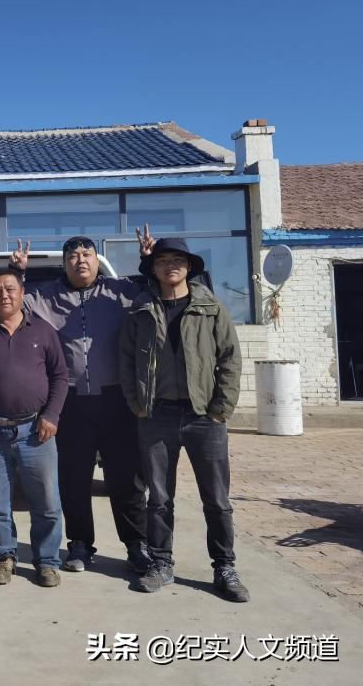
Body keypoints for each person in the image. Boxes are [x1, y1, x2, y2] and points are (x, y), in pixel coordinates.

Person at [10, 229, 154, 574]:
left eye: (87, 254)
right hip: (71, 403)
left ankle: (136, 544)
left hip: (117, 399)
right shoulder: (45, 297)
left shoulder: (120, 292)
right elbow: (15, 302)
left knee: (126, 478)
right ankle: (79, 545)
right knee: (73, 478)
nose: (81, 261)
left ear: (96, 260)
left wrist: (148, 262)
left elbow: (154, 295)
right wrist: (18, 273)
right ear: (64, 264)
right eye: (73, 257)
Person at [119, 238, 249, 602]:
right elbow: (126, 362)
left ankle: (224, 566)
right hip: (155, 415)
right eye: (163, 261)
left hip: (204, 417)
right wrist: (137, 403)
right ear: (154, 268)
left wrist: (221, 407)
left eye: (178, 260)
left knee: (217, 498)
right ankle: (161, 563)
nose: (170, 266)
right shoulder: (140, 310)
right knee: (158, 497)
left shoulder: (210, 307)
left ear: (189, 267)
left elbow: (230, 359)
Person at [0, 267, 70, 587]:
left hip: (36, 431)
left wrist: (51, 416)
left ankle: (47, 561)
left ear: (23, 292)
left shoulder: (43, 331)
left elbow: (60, 377)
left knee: (47, 502)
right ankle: (2, 558)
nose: (4, 295)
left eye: (10, 288)